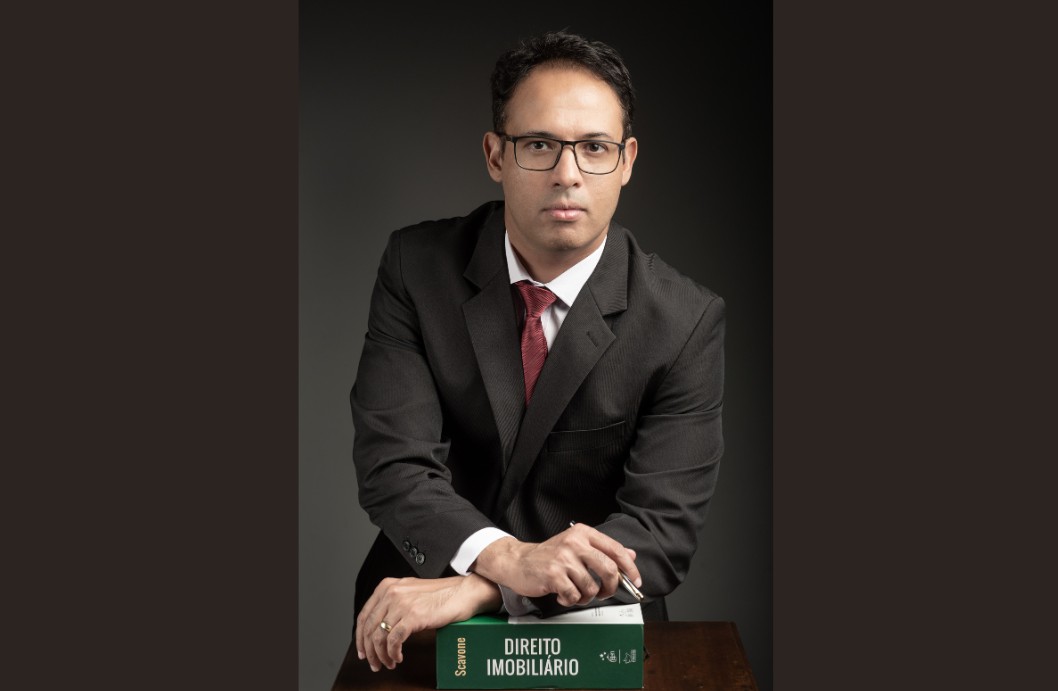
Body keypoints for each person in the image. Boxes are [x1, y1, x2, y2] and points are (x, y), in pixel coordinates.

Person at [348, 30, 725, 673]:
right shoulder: (417, 267)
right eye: (540, 145)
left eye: (595, 148)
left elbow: (661, 531)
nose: (567, 174)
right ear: (496, 155)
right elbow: (393, 463)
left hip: (590, 630)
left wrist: (488, 586)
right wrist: (508, 557)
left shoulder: (685, 321)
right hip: (415, 623)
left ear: (627, 161)